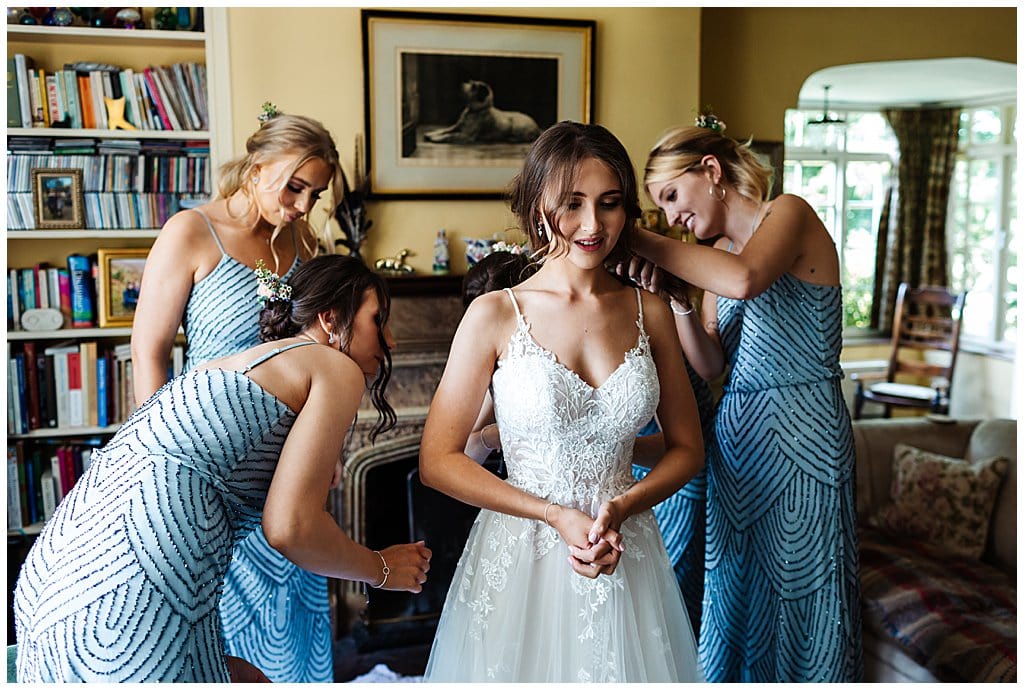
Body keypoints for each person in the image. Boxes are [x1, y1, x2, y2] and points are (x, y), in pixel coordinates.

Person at [14, 255, 433, 682]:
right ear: (329, 318)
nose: (391, 341)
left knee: (245, 676)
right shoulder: (335, 366)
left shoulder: (241, 362)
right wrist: (380, 568)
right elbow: (291, 528)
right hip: (130, 590)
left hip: (58, 575)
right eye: (378, 320)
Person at [419, 121, 705, 682]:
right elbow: (438, 460)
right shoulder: (496, 314)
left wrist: (622, 507)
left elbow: (687, 450)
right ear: (538, 206)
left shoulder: (652, 311)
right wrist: (553, 514)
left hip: (623, 546)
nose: (593, 225)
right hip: (521, 551)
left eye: (610, 203)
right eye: (571, 204)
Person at [621, 114, 863, 682]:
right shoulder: (714, 265)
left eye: (672, 196)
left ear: (711, 170)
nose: (673, 217)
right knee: (738, 588)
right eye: (660, 209)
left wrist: (638, 238)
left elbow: (748, 279)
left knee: (808, 585)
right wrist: (676, 300)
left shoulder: (790, 214)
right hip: (739, 442)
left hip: (806, 431)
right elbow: (711, 365)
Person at [129, 109, 346, 682]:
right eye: (295, 187)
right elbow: (149, 351)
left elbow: (321, 352)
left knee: (294, 617)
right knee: (220, 631)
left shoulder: (304, 241)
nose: (303, 205)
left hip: (290, 467)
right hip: (211, 469)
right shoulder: (190, 232)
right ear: (257, 166)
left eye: (315, 193)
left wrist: (330, 450)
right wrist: (154, 459)